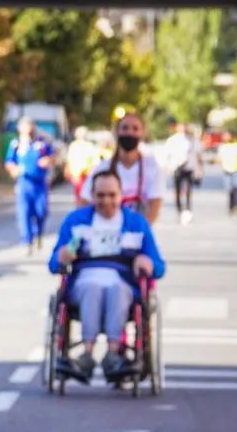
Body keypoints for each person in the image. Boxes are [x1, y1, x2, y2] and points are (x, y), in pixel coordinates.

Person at [49, 169, 166, 384]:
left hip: (122, 283)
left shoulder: (136, 224)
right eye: (100, 195)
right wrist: (62, 256)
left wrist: (147, 262)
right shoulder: (76, 221)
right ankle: (87, 353)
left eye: (112, 195)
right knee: (93, 286)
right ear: (92, 195)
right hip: (84, 280)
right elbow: (54, 263)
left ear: (120, 195)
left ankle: (113, 354)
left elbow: (158, 266)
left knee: (117, 289)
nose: (106, 201)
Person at [81, 112, 164, 225]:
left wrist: (141, 231)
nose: (129, 132)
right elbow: (84, 201)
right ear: (116, 132)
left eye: (135, 128)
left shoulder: (152, 168)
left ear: (143, 133)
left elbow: (155, 206)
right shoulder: (102, 168)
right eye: (125, 128)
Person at [4, 116, 54, 254]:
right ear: (20, 130)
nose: (28, 132)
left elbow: (52, 157)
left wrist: (48, 161)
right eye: (25, 129)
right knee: (24, 212)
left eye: (30, 129)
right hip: (24, 183)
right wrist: (13, 169)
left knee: (41, 211)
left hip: (40, 183)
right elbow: (9, 162)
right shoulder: (16, 144)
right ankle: (27, 240)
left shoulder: (42, 143)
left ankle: (38, 233)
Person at [162, 121, 202, 224]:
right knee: (178, 190)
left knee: (188, 190)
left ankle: (188, 209)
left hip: (189, 167)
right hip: (177, 167)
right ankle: (179, 209)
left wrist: (199, 169)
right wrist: (167, 165)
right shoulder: (173, 140)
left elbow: (198, 155)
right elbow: (167, 154)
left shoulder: (192, 139)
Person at [65, 126, 99, 202]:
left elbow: (95, 162)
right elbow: (69, 160)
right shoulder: (73, 145)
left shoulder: (89, 146)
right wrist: (67, 171)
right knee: (78, 195)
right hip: (76, 175)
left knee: (86, 195)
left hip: (86, 175)